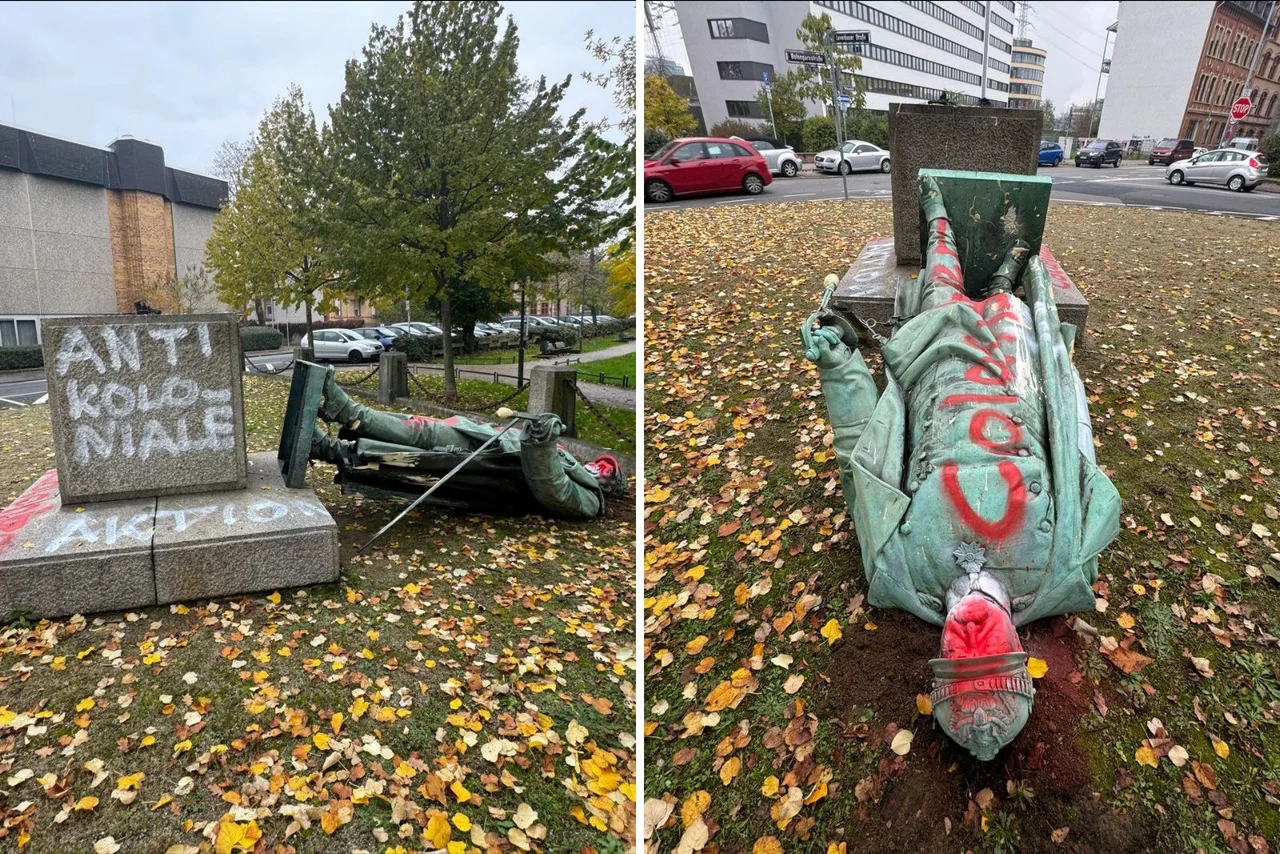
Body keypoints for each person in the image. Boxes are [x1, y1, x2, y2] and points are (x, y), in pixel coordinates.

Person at [801, 173, 1119, 760]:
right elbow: (1074, 445)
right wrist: (1060, 371)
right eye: (990, 657)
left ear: (941, 662)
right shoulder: (1064, 561)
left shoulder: (897, 569)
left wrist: (839, 370)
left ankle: (938, 218)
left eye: (959, 660)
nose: (971, 638)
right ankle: (1003, 277)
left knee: (941, 280)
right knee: (1006, 305)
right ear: (1021, 656)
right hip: (1013, 376)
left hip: (941, 370)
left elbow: (862, 460)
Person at [308, 367, 621, 520]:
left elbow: (551, 487)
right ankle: (346, 410)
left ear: (608, 486)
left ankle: (327, 449)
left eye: (605, 472)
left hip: (494, 472)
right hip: (485, 440)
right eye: (600, 463)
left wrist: (540, 441)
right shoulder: (575, 464)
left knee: (401, 459)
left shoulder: (589, 501)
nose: (596, 467)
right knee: (418, 429)